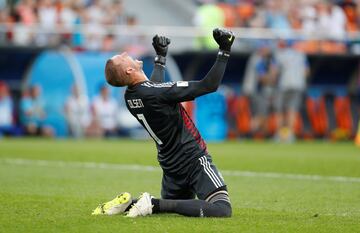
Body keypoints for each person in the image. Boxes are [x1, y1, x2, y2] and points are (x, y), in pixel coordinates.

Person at [92, 28, 234, 218]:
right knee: (222, 209)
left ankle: (129, 204)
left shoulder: (131, 96)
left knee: (171, 210)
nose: (126, 53)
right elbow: (209, 85)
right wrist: (224, 50)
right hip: (192, 158)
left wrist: (160, 58)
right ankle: (152, 203)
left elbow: (152, 88)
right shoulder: (157, 93)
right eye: (122, 57)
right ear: (129, 69)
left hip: (171, 165)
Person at [275, 40, 309, 142]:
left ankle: (279, 135)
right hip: (298, 84)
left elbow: (275, 70)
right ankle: (290, 135)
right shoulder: (301, 55)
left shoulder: (280, 55)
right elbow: (306, 71)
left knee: (279, 111)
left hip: (284, 84)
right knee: (292, 110)